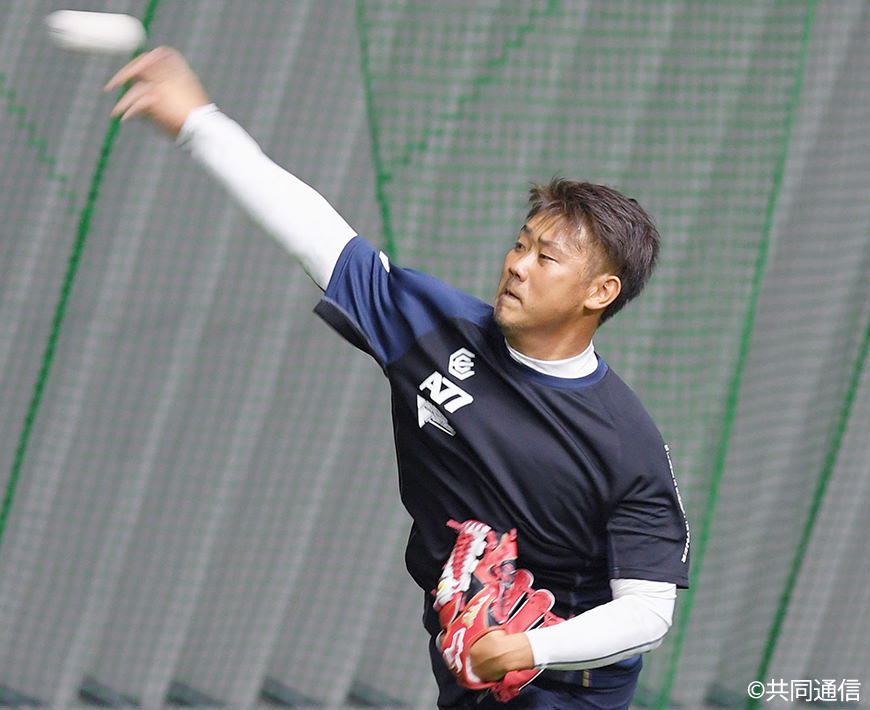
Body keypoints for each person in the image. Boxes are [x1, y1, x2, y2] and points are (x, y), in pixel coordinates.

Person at [105, 47, 690, 710]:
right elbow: (315, 233)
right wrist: (197, 121)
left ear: (599, 292)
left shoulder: (626, 445)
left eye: (546, 256)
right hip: (465, 671)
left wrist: (533, 649)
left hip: (565, 692)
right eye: (520, 242)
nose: (517, 264)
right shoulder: (433, 329)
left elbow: (648, 612)